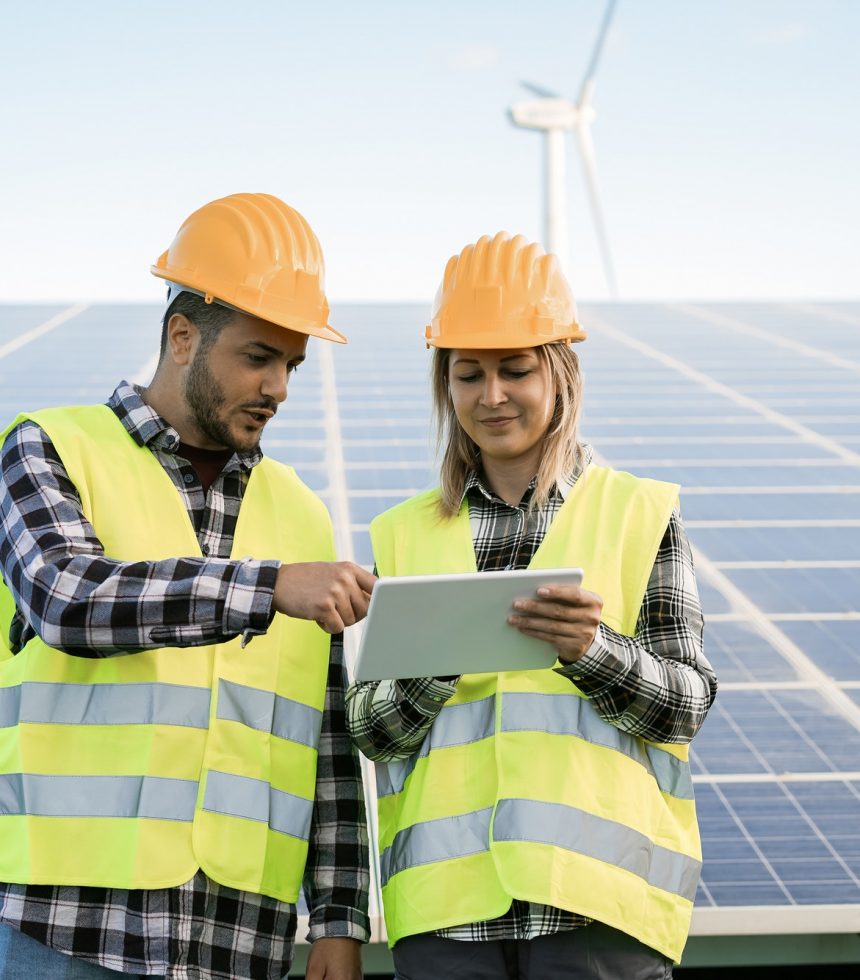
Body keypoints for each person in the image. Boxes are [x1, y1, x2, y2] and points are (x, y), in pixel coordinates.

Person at [0, 193, 376, 980]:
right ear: (181, 337)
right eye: (257, 356)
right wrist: (267, 587)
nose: (278, 386)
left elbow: (326, 738)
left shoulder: (302, 514)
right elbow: (67, 596)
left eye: (292, 365)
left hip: (240, 937)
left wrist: (340, 914)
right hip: (65, 922)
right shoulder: (48, 448)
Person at [346, 232, 718, 979]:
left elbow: (687, 706)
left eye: (515, 370)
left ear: (560, 372)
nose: (491, 396)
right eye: (467, 374)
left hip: (598, 909)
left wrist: (593, 652)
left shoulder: (640, 513)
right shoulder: (404, 533)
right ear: (443, 386)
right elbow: (371, 730)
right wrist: (435, 663)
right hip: (446, 917)